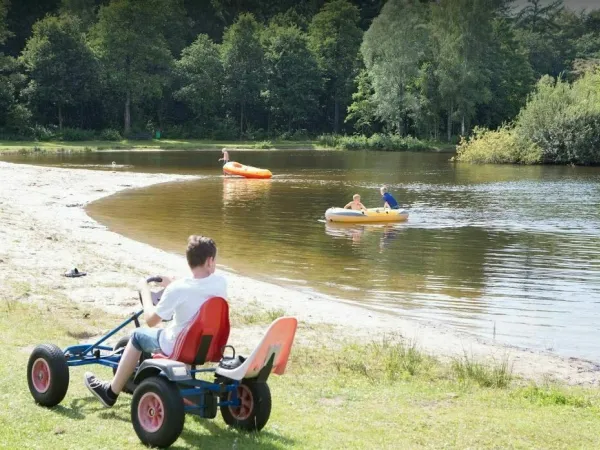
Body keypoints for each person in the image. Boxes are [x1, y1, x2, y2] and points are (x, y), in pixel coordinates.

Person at [83, 235, 227, 408]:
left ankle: (110, 392)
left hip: (177, 346)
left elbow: (151, 321)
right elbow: (197, 286)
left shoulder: (178, 289)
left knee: (137, 335)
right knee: (176, 330)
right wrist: (172, 284)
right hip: (206, 346)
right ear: (210, 261)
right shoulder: (221, 283)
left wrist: (145, 290)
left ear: (189, 261)